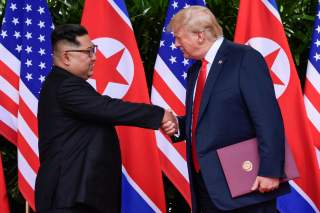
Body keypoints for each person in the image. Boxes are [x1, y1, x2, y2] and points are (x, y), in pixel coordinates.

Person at [35, 24, 176, 213]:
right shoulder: (65, 85)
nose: (94, 57)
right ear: (67, 57)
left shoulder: (64, 83)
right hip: (68, 198)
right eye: (88, 51)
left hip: (78, 197)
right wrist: (159, 115)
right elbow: (107, 108)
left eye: (94, 49)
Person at [162, 6, 290, 213]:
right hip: (206, 185)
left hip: (246, 184)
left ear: (200, 36)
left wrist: (271, 171)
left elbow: (267, 117)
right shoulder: (195, 69)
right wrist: (179, 125)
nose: (176, 44)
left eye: (178, 37)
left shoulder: (244, 58)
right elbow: (208, 118)